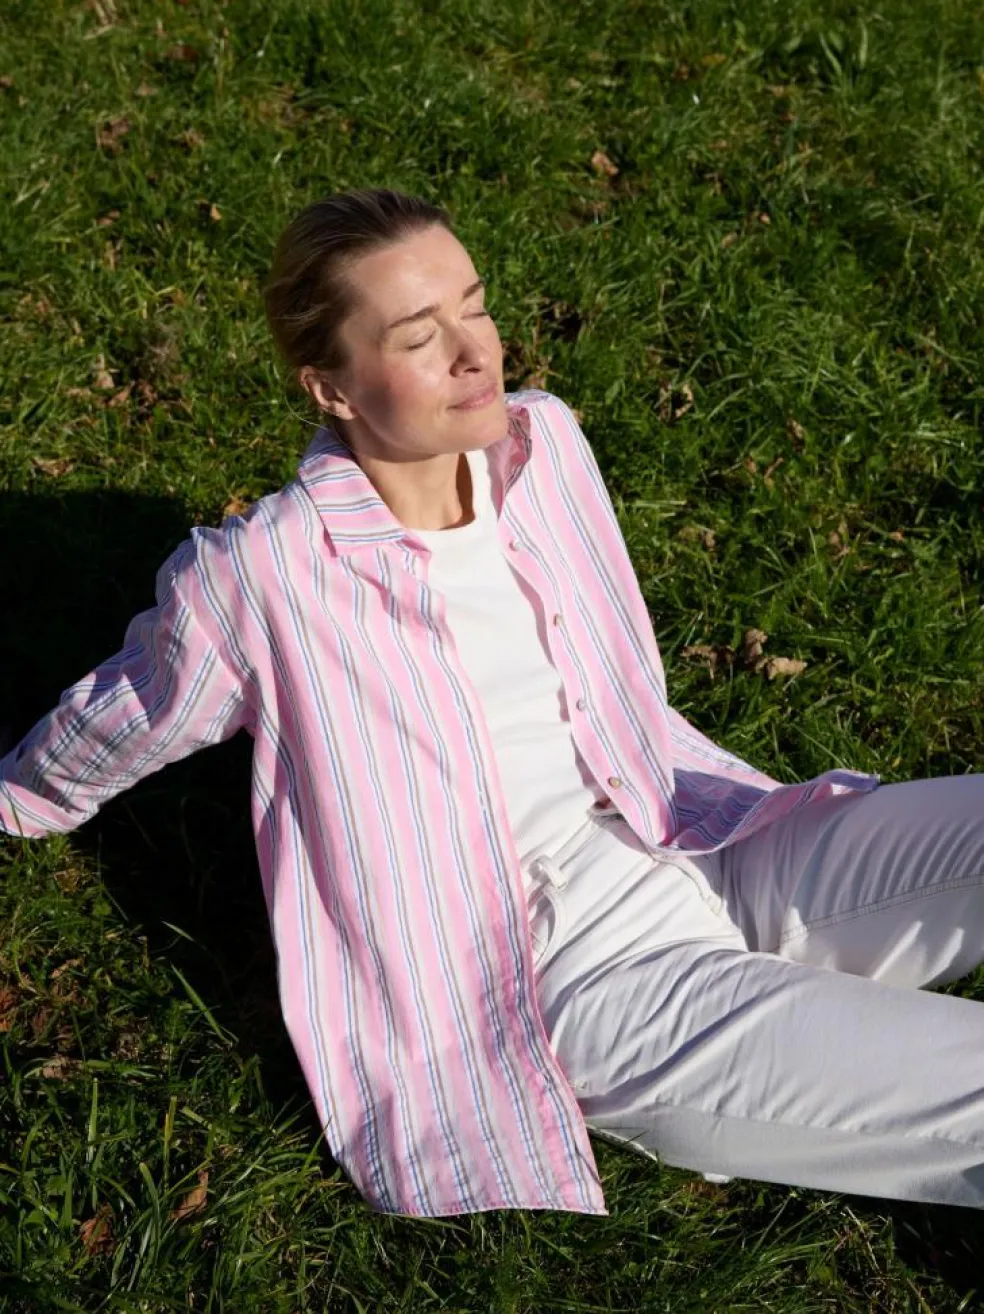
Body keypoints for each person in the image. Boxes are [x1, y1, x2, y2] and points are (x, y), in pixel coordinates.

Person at [3, 186, 984, 1221]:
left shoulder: (542, 445)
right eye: (420, 336)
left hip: (702, 840)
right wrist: (20, 796)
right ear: (332, 388)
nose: (476, 353)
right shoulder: (266, 575)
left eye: (474, 306)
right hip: (572, 974)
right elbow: (132, 709)